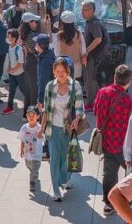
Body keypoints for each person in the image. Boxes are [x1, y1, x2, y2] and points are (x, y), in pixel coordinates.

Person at [40, 56, 85, 202]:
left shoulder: (75, 86)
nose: (60, 74)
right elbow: (46, 110)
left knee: (66, 159)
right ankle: (56, 190)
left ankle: (64, 179)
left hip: (68, 129)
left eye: (63, 71)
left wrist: (77, 119)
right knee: (54, 159)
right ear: (54, 71)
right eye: (57, 71)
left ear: (68, 72)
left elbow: (79, 106)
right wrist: (41, 128)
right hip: (52, 128)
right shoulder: (50, 86)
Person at [93, 64, 132, 214]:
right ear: (128, 82)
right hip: (122, 144)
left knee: (109, 173)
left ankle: (108, 203)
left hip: (106, 141)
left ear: (114, 77)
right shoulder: (129, 101)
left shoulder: (102, 92)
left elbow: (96, 112)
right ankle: (130, 201)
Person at [81, 0, 108, 111]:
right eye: (82, 9)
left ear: (92, 10)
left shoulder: (94, 23)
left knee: (89, 81)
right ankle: (99, 101)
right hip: (91, 56)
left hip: (92, 56)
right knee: (91, 79)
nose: (82, 12)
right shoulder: (89, 22)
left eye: (85, 10)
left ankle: (91, 104)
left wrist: (87, 50)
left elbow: (98, 39)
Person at [18, 105, 44, 194]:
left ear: (38, 116)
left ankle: (32, 182)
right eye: (29, 115)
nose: (31, 117)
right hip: (27, 153)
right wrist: (21, 149)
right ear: (26, 116)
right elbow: (22, 139)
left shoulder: (39, 128)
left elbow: (43, 139)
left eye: (33, 115)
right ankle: (34, 175)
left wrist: (40, 135)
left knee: (35, 168)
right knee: (29, 166)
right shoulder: (24, 128)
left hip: (37, 154)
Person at [3, 28, 26, 115]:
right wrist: (9, 68)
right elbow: (10, 59)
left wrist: (12, 70)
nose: (7, 38)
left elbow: (20, 63)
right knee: (11, 91)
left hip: (20, 75)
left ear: (13, 39)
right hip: (12, 74)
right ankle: (10, 107)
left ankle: (30, 104)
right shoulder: (9, 47)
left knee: (24, 90)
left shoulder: (19, 49)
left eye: (8, 37)